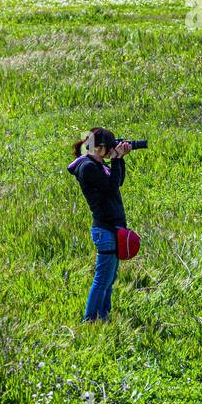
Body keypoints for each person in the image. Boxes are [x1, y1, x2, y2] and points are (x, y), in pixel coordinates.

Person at [68, 127, 134, 323]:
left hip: (112, 228)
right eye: (109, 147)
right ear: (99, 148)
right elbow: (110, 187)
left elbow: (118, 181)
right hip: (104, 229)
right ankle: (91, 320)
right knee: (102, 279)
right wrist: (115, 160)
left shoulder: (99, 165)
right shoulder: (87, 167)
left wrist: (119, 159)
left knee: (109, 278)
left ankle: (103, 316)